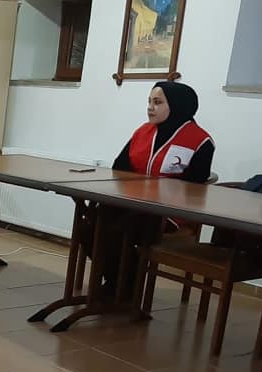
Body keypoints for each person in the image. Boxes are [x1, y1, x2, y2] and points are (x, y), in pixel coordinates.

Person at [90, 81, 215, 298]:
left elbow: (193, 187)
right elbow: (120, 168)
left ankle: (122, 288)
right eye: (149, 101)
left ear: (177, 104)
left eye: (157, 102)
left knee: (120, 228)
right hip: (134, 203)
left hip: (169, 212)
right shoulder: (143, 131)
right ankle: (118, 282)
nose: (150, 108)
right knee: (92, 220)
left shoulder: (200, 141)